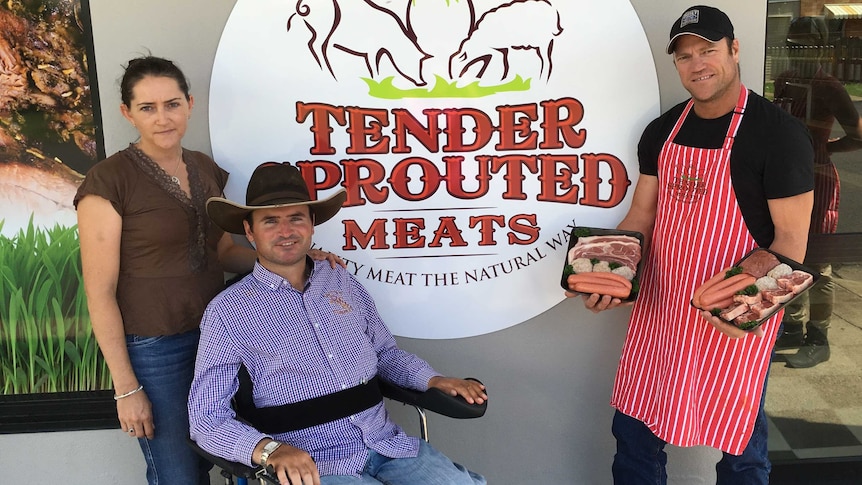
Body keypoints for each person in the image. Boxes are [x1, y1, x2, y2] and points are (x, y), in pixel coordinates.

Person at [567, 6, 814, 484]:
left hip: (733, 321)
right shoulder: (663, 131)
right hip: (659, 311)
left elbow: (790, 243)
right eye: (684, 56)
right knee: (634, 436)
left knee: (741, 448)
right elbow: (641, 216)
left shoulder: (778, 135)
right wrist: (609, 277)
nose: (697, 64)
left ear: (734, 50)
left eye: (708, 50)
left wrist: (741, 309)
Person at [74, 56, 339, 484]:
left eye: (172, 104)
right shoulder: (109, 181)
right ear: (127, 113)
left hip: (223, 335)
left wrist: (296, 257)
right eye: (147, 107)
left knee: (237, 453)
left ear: (190, 104)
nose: (163, 118)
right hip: (157, 346)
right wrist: (127, 387)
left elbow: (222, 253)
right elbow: (99, 292)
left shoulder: (203, 168)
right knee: (180, 470)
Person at [187, 162, 488, 485]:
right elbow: (206, 419)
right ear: (249, 231)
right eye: (270, 221)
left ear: (312, 224)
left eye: (296, 218)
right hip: (314, 465)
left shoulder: (340, 280)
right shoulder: (228, 312)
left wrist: (431, 380)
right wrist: (268, 450)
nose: (285, 231)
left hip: (386, 444)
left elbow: (385, 354)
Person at [772, 16, 862, 368]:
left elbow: (858, 136)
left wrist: (822, 151)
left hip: (819, 181)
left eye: (806, 46)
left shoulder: (828, 86)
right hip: (787, 181)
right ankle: (793, 327)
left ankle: (819, 336)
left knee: (818, 262)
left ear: (821, 48)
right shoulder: (785, 80)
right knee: (789, 255)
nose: (798, 53)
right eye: (793, 46)